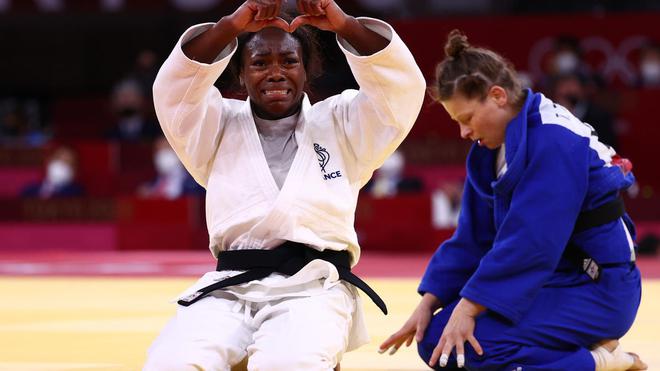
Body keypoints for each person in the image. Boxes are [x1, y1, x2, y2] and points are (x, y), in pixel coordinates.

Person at [144, 0, 426, 370]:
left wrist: (344, 25)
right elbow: (173, 90)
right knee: (171, 362)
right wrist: (230, 26)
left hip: (314, 289)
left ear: (307, 72)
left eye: (289, 61)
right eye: (260, 62)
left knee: (288, 362)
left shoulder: (342, 122)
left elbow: (400, 92)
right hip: (230, 288)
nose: (275, 72)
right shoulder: (214, 126)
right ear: (242, 75)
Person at [379, 30, 646, 371]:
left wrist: (468, 308)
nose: (464, 133)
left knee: (466, 346)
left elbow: (532, 243)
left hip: (597, 288)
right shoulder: (488, 151)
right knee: (436, 342)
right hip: (548, 283)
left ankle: (601, 361)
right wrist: (429, 303)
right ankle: (575, 350)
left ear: (498, 96)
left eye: (467, 119)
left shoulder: (554, 140)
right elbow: (472, 238)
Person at [137, 136, 204, 199]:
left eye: (166, 149)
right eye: (159, 150)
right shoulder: (152, 185)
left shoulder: (195, 183)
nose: (162, 155)